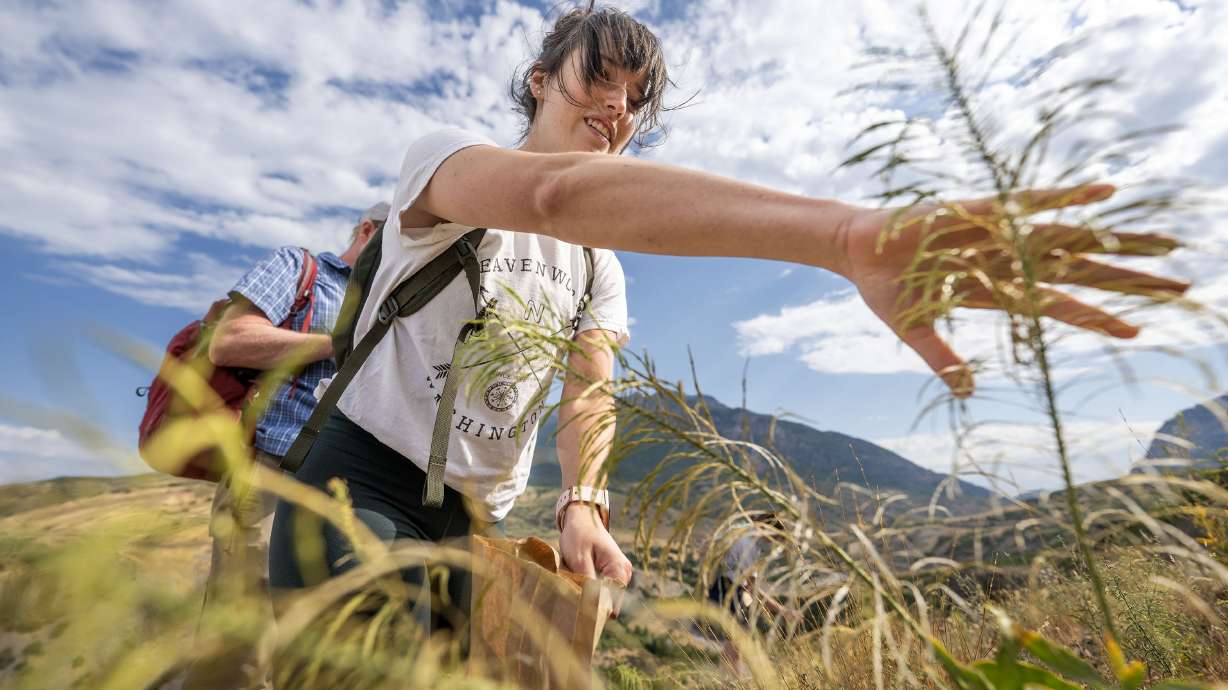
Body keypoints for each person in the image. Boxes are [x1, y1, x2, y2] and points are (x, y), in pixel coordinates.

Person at [267, 1, 1186, 641]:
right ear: (541, 80)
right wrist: (843, 234)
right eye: (601, 77)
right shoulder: (445, 167)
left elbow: (592, 386)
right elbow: (549, 193)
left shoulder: (600, 267)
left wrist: (583, 502)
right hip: (362, 482)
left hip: (481, 518)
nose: (619, 107)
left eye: (637, 98)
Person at [180, 203, 385, 690]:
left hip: (348, 492)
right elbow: (230, 341)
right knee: (241, 645)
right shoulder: (299, 268)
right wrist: (334, 343)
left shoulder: (390, 300)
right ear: (367, 230)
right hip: (273, 473)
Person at [707, 513, 801, 672]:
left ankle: (728, 683)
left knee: (732, 649)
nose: (774, 545)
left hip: (720, 591)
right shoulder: (748, 547)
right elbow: (754, 590)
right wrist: (783, 611)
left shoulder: (741, 532)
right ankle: (733, 684)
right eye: (775, 539)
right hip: (729, 595)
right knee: (735, 649)